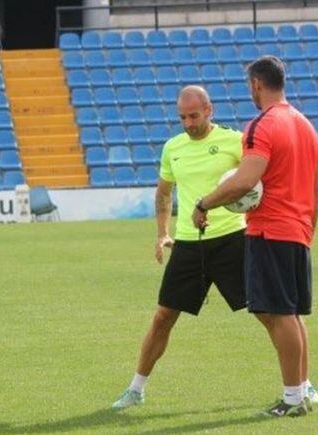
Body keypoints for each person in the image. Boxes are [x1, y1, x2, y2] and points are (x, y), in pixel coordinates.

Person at [192, 56, 318, 417]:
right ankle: (304, 389)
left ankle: (293, 399)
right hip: (297, 229)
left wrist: (205, 203)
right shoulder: (306, 125)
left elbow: (245, 181)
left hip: (271, 229)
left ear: (256, 85)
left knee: (280, 314)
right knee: (292, 314)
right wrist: (307, 228)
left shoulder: (262, 125)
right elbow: (316, 189)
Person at [111, 85, 247, 409]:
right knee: (163, 317)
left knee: (271, 311)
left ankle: (300, 384)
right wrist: (162, 233)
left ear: (209, 110)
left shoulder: (235, 141)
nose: (188, 122)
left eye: (194, 115)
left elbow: (254, 182)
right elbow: (163, 194)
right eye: (182, 117)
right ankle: (135, 389)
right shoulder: (173, 147)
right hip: (189, 243)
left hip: (232, 239)